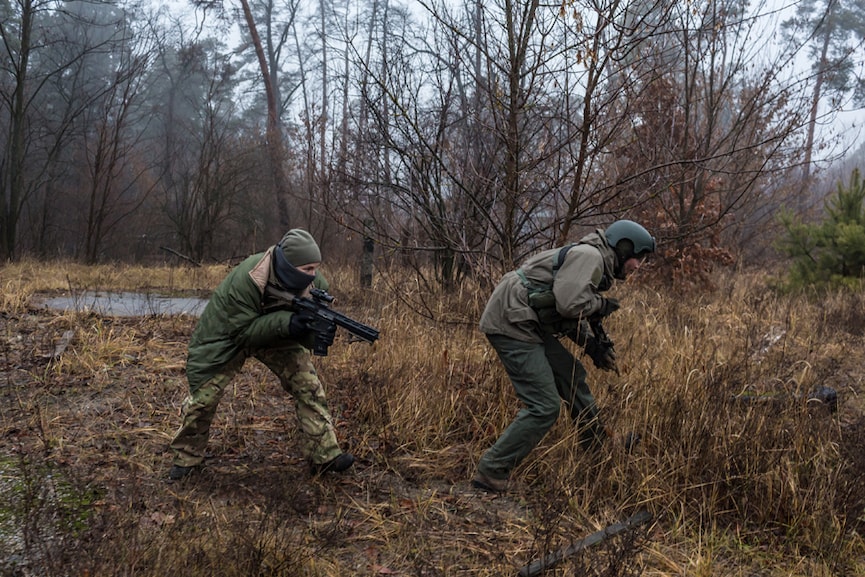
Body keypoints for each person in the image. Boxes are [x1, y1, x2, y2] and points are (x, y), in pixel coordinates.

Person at [472, 220, 656, 493]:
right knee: (544, 406)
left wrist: (591, 345)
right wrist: (601, 305)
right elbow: (570, 304)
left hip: (527, 320)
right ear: (623, 247)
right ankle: (492, 470)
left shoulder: (594, 259)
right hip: (512, 320)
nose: (637, 266)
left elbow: (565, 308)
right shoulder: (590, 256)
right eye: (637, 258)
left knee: (573, 376)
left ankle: (597, 445)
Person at [168, 229, 354, 481]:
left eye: (316, 268)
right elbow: (242, 332)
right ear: (289, 266)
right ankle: (186, 460)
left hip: (276, 332)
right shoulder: (247, 277)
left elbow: (305, 333)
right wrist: (289, 323)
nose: (314, 275)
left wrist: (316, 333)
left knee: (308, 386)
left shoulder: (316, 286)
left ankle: (325, 455)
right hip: (227, 334)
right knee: (204, 397)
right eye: (307, 268)